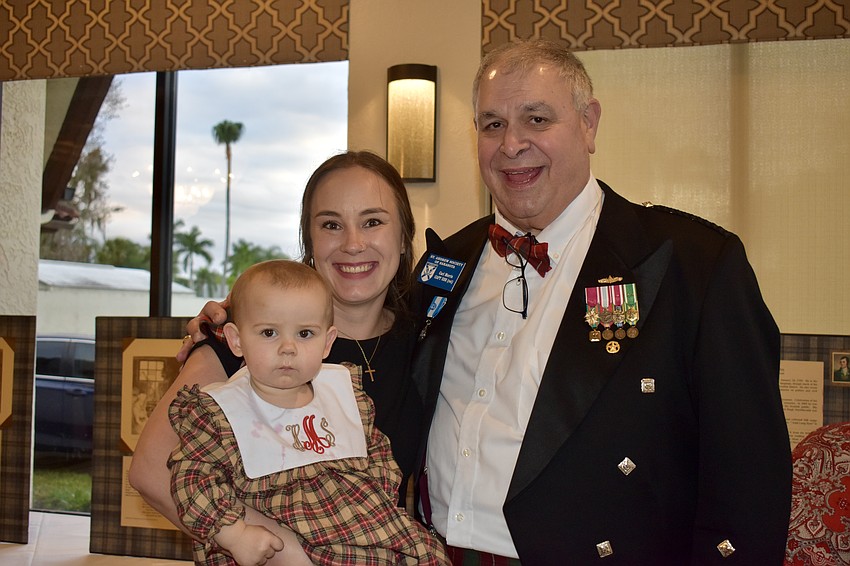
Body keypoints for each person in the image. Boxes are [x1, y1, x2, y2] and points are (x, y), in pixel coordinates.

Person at [410, 39, 792, 564]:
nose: (512, 144)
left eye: (537, 119)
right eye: (492, 124)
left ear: (588, 124)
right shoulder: (443, 265)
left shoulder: (694, 265)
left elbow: (748, 478)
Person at [129, 151, 424, 565]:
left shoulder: (427, 335)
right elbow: (151, 472)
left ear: (404, 234)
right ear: (309, 239)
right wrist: (292, 555)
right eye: (331, 225)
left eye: (373, 222)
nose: (353, 243)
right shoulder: (247, 340)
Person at [168, 259, 448, 565]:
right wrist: (232, 533)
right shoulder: (219, 411)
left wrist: (378, 499)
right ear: (236, 339)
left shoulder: (342, 393)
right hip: (282, 536)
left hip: (363, 526)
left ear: (327, 342)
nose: (288, 347)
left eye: (304, 334)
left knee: (425, 552)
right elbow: (192, 478)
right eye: (269, 333)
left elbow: (377, 452)